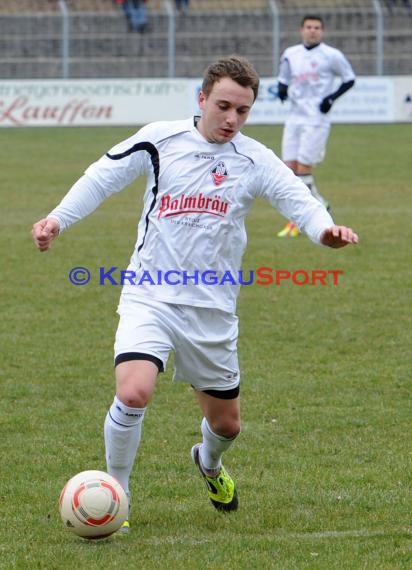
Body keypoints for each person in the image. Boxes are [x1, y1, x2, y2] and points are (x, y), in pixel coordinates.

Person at [32, 55, 358, 533]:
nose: (231, 119)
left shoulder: (253, 158)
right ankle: (117, 498)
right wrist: (58, 218)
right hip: (151, 294)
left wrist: (325, 231)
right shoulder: (161, 139)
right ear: (202, 98)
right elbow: (102, 176)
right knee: (134, 391)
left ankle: (207, 462)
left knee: (227, 426)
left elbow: (298, 199)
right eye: (223, 106)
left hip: (212, 309)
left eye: (242, 111)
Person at [276, 15, 356, 237]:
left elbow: (349, 79)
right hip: (294, 118)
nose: (313, 31)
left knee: (303, 169)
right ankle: (319, 206)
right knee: (289, 170)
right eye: (309, 27)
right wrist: (282, 89)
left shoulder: (331, 55)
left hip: (316, 120)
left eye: (317, 28)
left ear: (322, 31)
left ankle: (301, 218)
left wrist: (331, 98)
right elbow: (283, 78)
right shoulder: (291, 54)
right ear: (301, 30)